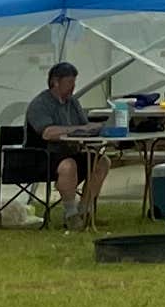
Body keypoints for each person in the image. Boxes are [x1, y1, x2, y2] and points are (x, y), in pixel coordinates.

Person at [20, 58, 111, 227]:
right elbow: (47, 133)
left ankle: (85, 211)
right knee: (68, 165)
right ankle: (71, 215)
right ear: (55, 82)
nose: (73, 86)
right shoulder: (40, 104)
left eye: (74, 82)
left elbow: (84, 125)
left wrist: (100, 127)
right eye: (69, 82)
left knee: (102, 161)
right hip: (41, 155)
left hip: (70, 151)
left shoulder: (73, 102)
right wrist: (74, 130)